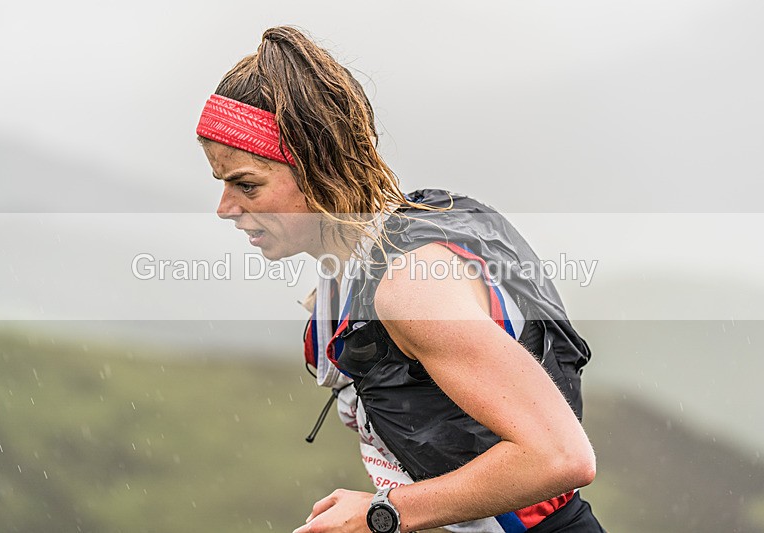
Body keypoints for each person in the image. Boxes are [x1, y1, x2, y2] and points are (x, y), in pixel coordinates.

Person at [196, 26, 605, 533]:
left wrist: (379, 515)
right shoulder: (355, 261)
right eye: (222, 183)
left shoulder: (411, 285)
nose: (225, 208)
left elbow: (561, 458)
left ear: (318, 166)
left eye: (247, 185)